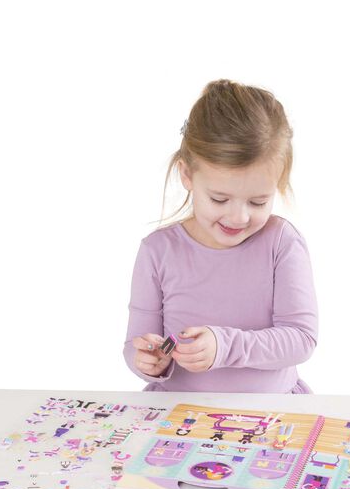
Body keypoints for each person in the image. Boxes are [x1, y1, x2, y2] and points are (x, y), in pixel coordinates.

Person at [122, 78, 318, 393]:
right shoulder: (157, 250)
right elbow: (136, 343)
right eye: (219, 199)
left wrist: (225, 346)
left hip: (271, 410)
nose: (239, 217)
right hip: (177, 412)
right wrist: (146, 359)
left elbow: (301, 339)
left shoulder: (281, 243)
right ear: (187, 175)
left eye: (258, 202)